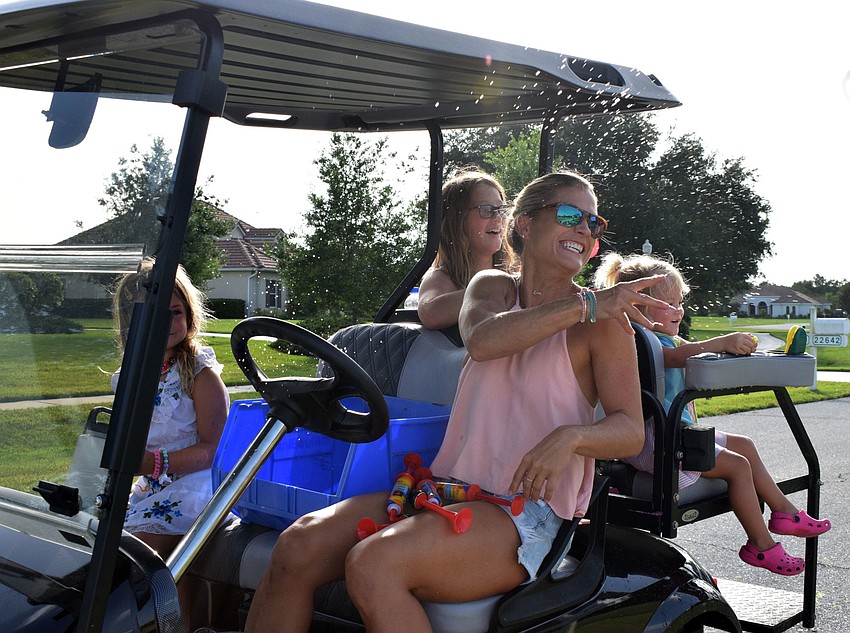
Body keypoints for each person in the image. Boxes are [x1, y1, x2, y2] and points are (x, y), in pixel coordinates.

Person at [244, 171, 673, 633]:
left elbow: (630, 429)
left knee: (374, 565)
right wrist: (587, 304)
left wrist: (571, 437)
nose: (586, 230)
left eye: (594, 223)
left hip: (527, 511)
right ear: (525, 224)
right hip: (447, 486)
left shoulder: (603, 327)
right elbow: (484, 340)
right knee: (297, 546)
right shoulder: (492, 288)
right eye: (570, 215)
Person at [594, 252, 831, 576]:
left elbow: (688, 353)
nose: (679, 310)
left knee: (744, 444)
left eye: (680, 302)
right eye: (670, 303)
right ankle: (760, 545)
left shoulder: (664, 338)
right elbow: (675, 357)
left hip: (673, 433)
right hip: (654, 441)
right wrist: (722, 342)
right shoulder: (635, 340)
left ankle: (783, 513)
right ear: (637, 307)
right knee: (738, 465)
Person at [112, 258, 230, 558]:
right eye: (153, 315)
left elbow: (214, 450)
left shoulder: (199, 375)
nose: (166, 323)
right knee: (97, 537)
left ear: (189, 316)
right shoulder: (131, 376)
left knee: (136, 554)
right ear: (130, 322)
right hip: (150, 487)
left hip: (197, 485)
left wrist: (153, 463)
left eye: (175, 313)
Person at [416, 169, 514, 330]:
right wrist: (492, 289)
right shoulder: (443, 278)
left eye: (502, 210)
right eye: (486, 210)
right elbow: (430, 314)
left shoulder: (515, 273)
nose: (498, 218)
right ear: (457, 219)